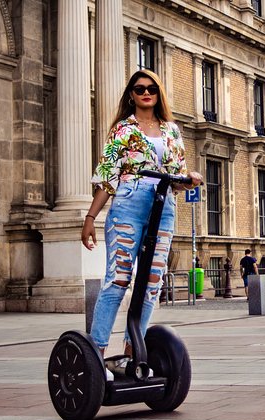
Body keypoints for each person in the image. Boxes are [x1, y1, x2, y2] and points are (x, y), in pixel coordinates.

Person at [81, 70, 203, 378]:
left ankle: (131, 357)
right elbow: (107, 178)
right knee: (118, 280)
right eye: (139, 89)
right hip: (128, 203)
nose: (146, 93)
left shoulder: (172, 131)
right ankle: (97, 357)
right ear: (132, 95)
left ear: (158, 93)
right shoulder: (123, 130)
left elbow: (177, 176)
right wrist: (90, 218)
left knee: (151, 285)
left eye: (151, 88)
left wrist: (189, 181)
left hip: (164, 206)